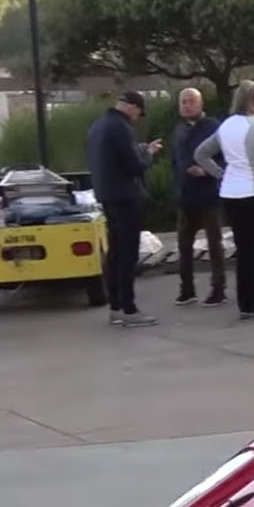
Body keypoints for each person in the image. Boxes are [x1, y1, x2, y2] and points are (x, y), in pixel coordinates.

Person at [203, 79, 254, 321]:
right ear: (251, 102)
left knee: (244, 251)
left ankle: (246, 305)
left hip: (231, 195)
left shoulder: (226, 126)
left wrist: (221, 173)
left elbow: (201, 153)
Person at [85, 90, 164, 327]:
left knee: (115, 253)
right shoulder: (121, 127)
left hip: (107, 195)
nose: (137, 118)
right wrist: (148, 154)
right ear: (132, 106)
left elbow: (113, 157)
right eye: (139, 113)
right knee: (128, 255)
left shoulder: (98, 127)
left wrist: (140, 148)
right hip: (127, 197)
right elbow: (133, 165)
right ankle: (129, 309)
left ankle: (116, 307)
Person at [170, 87, 226, 307]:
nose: (186, 105)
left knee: (214, 243)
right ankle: (187, 289)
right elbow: (175, 161)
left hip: (208, 193)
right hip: (185, 195)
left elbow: (224, 158)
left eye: (191, 101)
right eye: (183, 102)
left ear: (201, 104)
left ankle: (218, 288)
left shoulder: (213, 127)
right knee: (184, 244)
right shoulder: (178, 130)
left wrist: (207, 171)